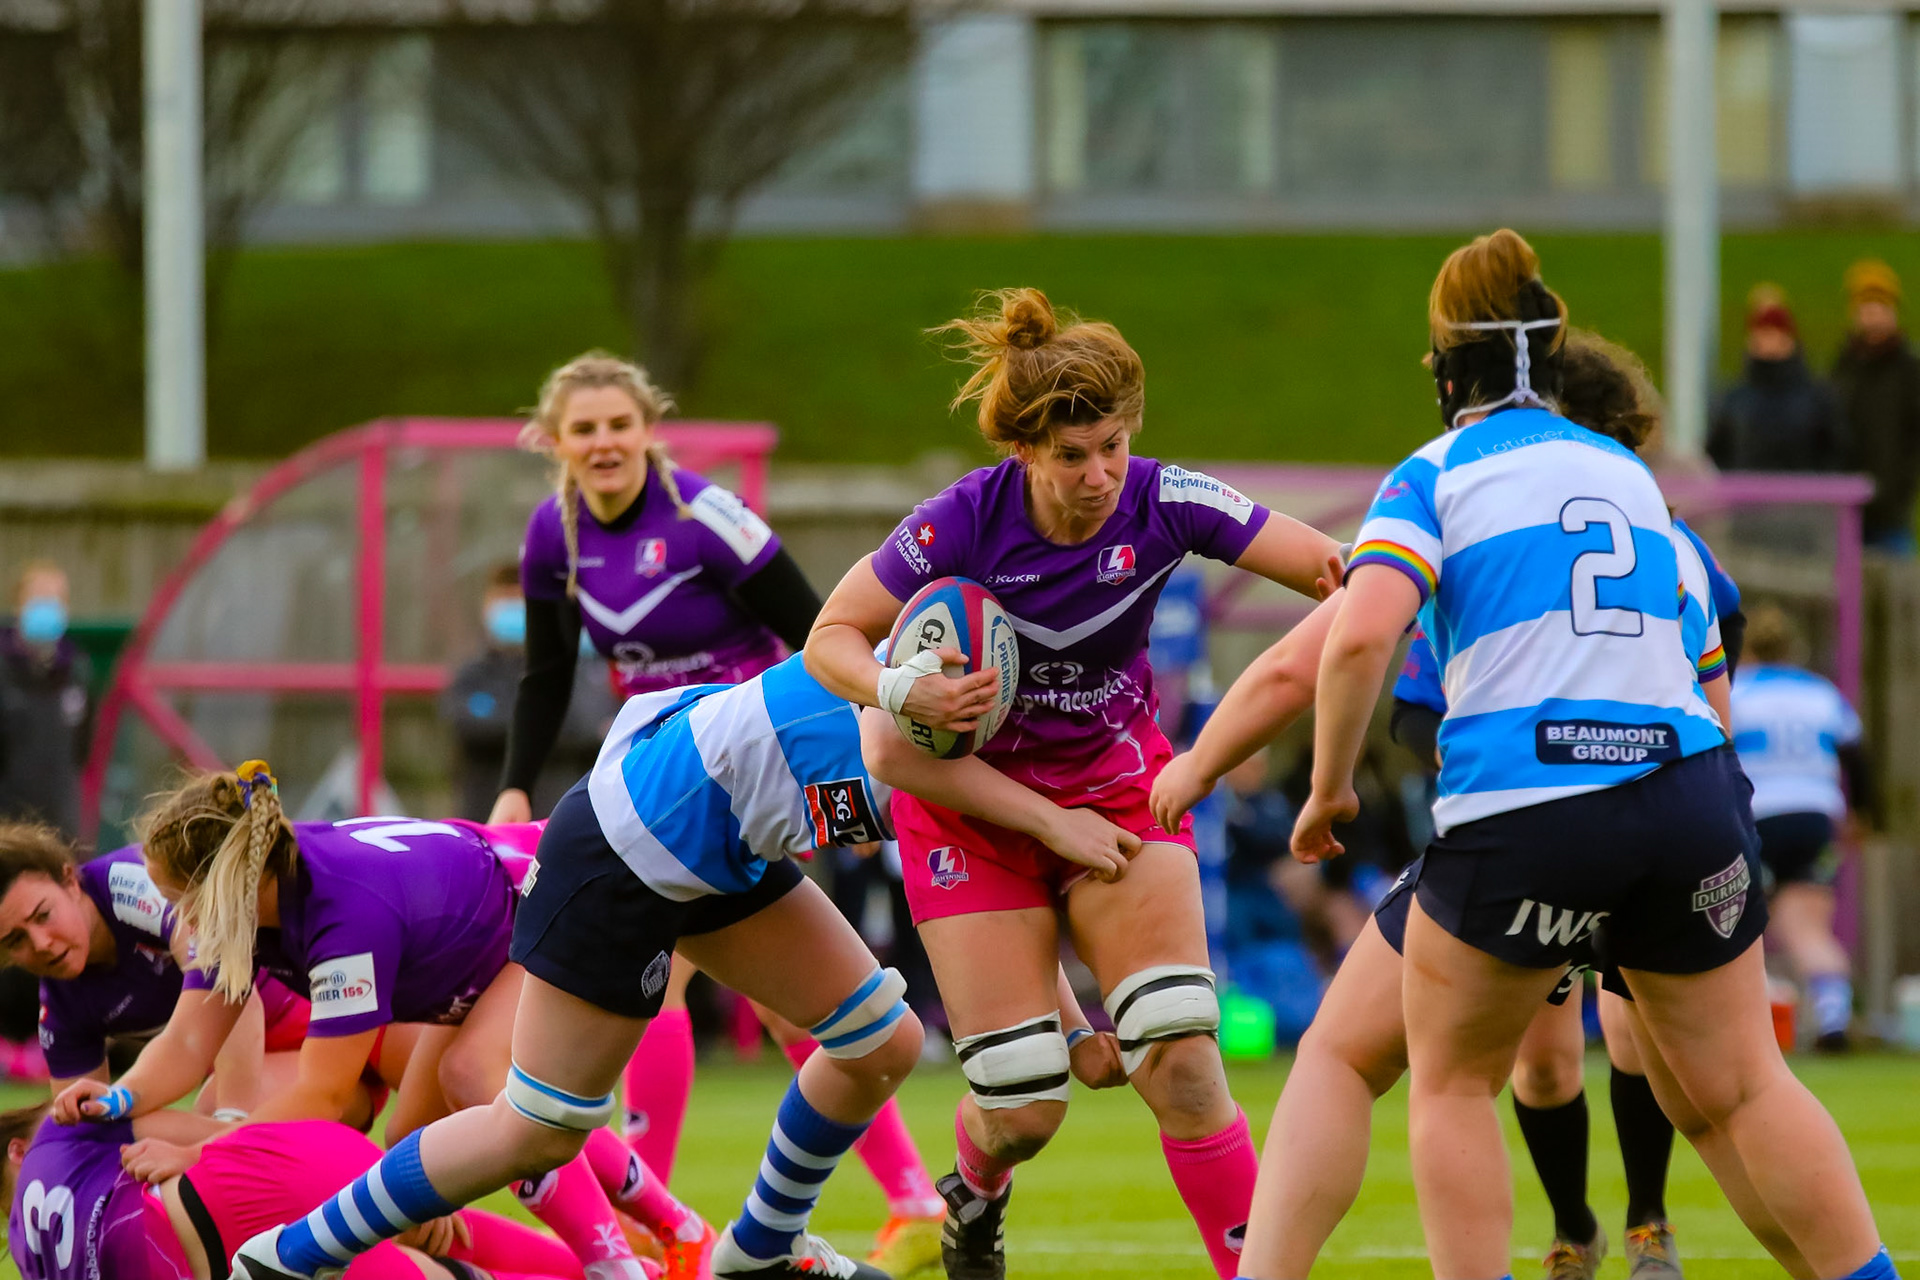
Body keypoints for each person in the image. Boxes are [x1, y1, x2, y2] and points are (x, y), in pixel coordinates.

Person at [1294, 228, 1893, 1280]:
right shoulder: (1629, 475)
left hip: (1531, 806)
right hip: (1689, 798)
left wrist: (1329, 784)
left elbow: (1352, 637)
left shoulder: (1436, 473)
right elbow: (1707, 671)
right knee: (1745, 1087)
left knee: (1451, 1080)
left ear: (1449, 370)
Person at [228, 652, 1136, 1280]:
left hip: (718, 848)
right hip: (623, 854)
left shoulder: (950, 727)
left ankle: (758, 1251)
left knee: (881, 1038)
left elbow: (984, 900)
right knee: (535, 1128)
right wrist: (1057, 837)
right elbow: (970, 874)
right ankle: (292, 1255)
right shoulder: (912, 729)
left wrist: (1076, 1022)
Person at [1159, 329, 1725, 1280]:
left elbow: (1323, 657)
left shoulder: (1463, 497)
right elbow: (1713, 710)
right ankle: (1635, 1230)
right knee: (1727, 1091)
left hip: (1526, 827)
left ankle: (1606, 1227)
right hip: (1679, 824)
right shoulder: (1676, 543)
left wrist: (1206, 771)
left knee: (1397, 1067)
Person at [806, 286, 1345, 1280]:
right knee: (1023, 1104)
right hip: (968, 810)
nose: (1101, 473)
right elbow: (828, 637)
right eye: (1072, 454)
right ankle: (972, 1193)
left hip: (1117, 791)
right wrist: (900, 681)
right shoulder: (959, 522)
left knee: (1183, 1060)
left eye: (1114, 444)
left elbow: (1335, 571)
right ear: (1023, 451)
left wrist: (1405, 588)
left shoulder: (1166, 498)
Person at [489, 352, 946, 1273]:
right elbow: (543, 674)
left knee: (672, 987)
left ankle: (665, 1234)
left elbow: (824, 628)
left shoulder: (705, 518)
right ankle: (911, 1201)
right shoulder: (556, 533)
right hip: (653, 787)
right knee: (786, 1010)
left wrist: (838, 748)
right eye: (584, 430)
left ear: (648, 428)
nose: (604, 443)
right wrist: (514, 783)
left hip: (749, 782)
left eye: (619, 424)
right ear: (555, 443)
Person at [51, 767, 708, 1280]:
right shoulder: (260, 899)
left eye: (183, 903)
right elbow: (190, 1041)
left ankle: (620, 1262)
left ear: (227, 883)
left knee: (475, 1077)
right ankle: (673, 1238)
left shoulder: (342, 920)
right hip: (490, 952)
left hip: (553, 894)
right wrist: (117, 1098)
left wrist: (198, 1155)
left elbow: (326, 1094)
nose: (183, 926)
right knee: (409, 1162)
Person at [0, 820, 369, 1119]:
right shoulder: (61, 1001)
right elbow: (80, 1127)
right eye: (16, 940)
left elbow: (230, 988)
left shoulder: (129, 885)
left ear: (69, 880)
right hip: (305, 1068)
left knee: (209, 1122)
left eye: (44, 915)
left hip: (348, 1022)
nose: (42, 943)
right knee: (134, 1131)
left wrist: (230, 1121)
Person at [4, 1100, 583, 1280]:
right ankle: (629, 1262)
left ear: (14, 1152)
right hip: (249, 1174)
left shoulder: (34, 1257)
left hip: (232, 1224)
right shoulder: (66, 1127)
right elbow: (211, 1134)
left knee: (441, 1258)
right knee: (446, 1236)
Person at [1730, 602, 1873, 1051]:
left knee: (1736, 925)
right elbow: (1858, 761)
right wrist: (1862, 817)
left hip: (1754, 816)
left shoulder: (1734, 689)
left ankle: (1744, 1026)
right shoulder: (1820, 692)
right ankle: (1832, 1017)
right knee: (1809, 929)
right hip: (1813, 817)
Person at [0, 560, 93, 1083]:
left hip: (59, 834)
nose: (47, 610)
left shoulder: (76, 673)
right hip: (6, 832)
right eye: (39, 598)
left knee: (52, 935)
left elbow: (78, 753)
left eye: (57, 598)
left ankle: (46, 1040)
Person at [442, 564, 613, 822]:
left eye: (519, 602)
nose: (513, 612)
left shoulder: (585, 671)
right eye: (505, 601)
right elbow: (470, 725)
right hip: (488, 818)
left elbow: (594, 727)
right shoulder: (473, 673)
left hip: (560, 821)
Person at [1707, 287, 1845, 474]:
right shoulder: (1733, 399)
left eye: (1776, 332)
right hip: (1747, 500)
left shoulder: (1817, 398)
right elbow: (1717, 454)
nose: (1770, 340)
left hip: (1805, 500)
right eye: (1763, 332)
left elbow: (1837, 452)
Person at [1833, 260, 1920, 555]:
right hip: (1847, 514)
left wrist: (1899, 490)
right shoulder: (1842, 368)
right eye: (1866, 307)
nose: (1873, 315)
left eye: (1880, 307)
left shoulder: (1909, 371)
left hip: (1891, 517)